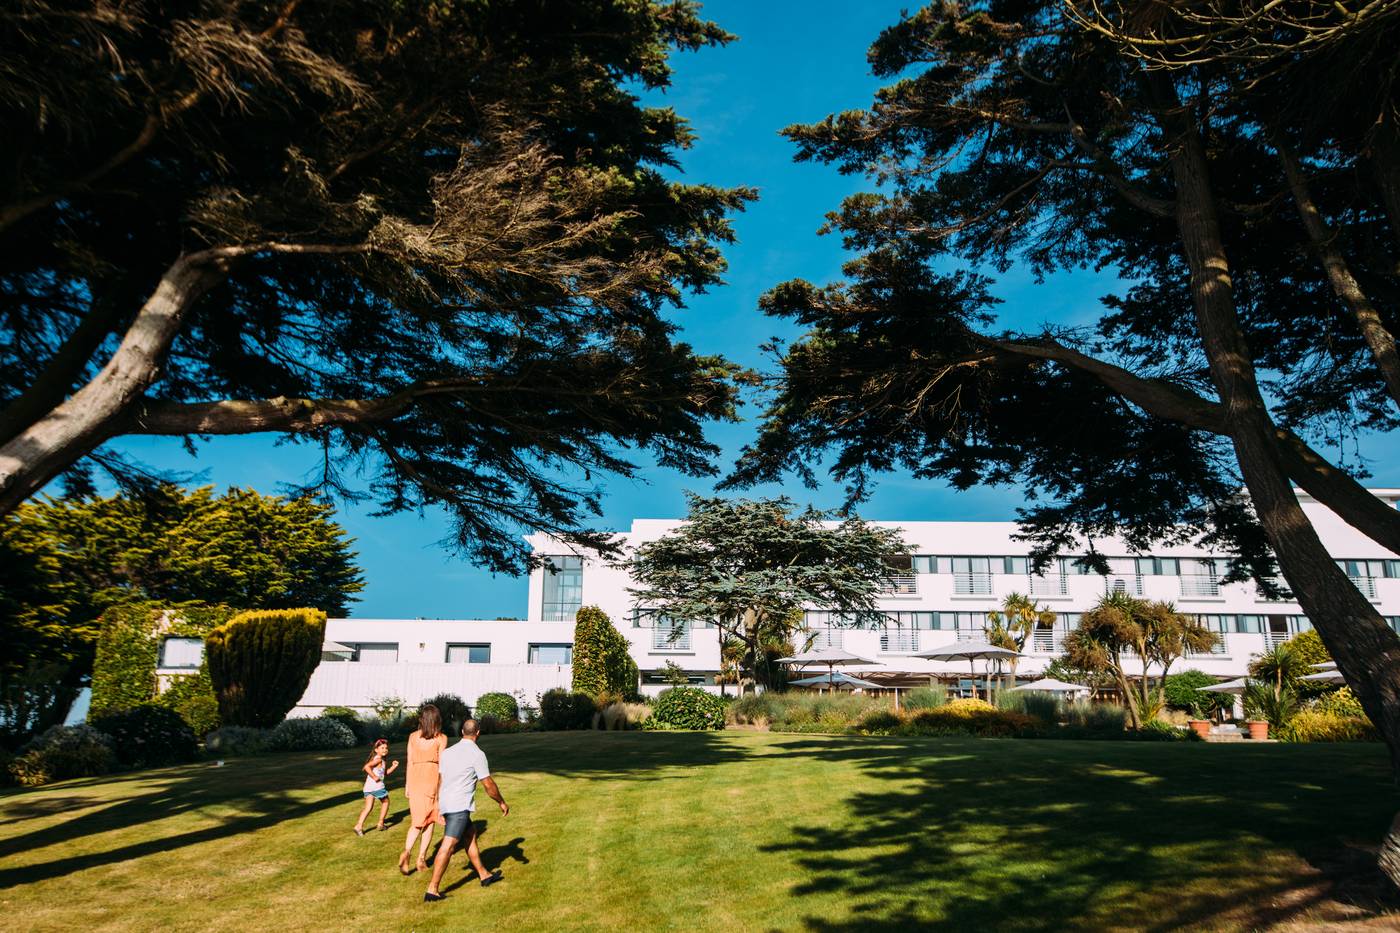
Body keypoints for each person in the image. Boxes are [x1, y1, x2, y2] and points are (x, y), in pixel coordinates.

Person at [423, 717, 509, 902]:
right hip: (458, 806)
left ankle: (484, 875)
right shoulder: (477, 754)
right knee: (449, 845)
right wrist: (501, 802)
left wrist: (438, 804)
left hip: (447, 802)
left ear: (462, 732)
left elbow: (440, 779)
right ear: (478, 733)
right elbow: (488, 784)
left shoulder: (447, 752)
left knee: (470, 835)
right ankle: (432, 889)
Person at [400, 704, 448, 875]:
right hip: (431, 779)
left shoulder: (412, 736)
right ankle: (416, 856)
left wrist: (407, 784)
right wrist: (442, 788)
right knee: (426, 820)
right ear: (436, 720)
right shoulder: (441, 738)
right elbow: (442, 765)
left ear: (422, 719)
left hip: (415, 779)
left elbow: (409, 762)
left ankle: (412, 855)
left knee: (421, 819)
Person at [354, 738, 399, 835]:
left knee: (368, 807)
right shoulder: (378, 760)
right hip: (377, 787)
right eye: (382, 748)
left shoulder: (381, 760)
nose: (385, 750)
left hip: (368, 788)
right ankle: (381, 823)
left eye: (386, 748)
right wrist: (374, 777)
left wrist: (393, 767)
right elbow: (366, 767)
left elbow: (384, 773)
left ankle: (358, 826)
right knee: (386, 802)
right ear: (376, 750)